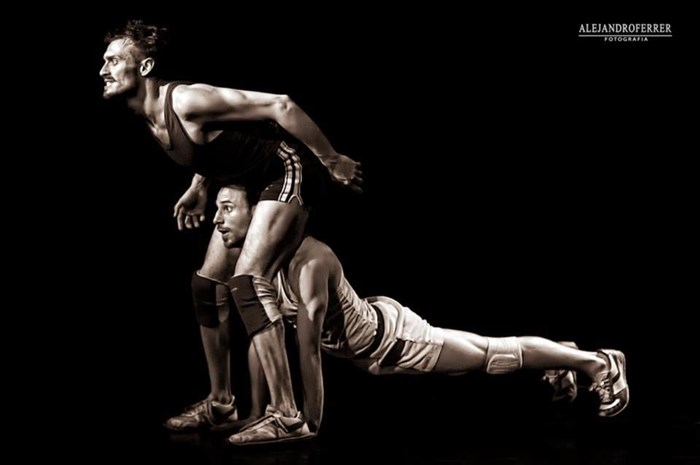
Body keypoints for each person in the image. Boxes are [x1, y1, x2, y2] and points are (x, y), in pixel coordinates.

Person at [100, 19, 362, 441]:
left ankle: (287, 416)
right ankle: (222, 403)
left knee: (247, 282)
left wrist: (332, 160)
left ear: (145, 67)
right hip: (250, 182)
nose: (103, 70)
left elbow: (281, 105)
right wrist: (199, 187)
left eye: (113, 61)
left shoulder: (187, 100)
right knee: (207, 286)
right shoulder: (149, 118)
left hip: (286, 170)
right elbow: (223, 146)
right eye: (104, 61)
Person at [207, 185, 630, 445]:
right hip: (372, 344)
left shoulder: (310, 260)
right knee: (491, 355)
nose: (217, 219)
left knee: (494, 355)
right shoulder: (259, 268)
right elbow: (265, 339)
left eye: (227, 208)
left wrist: (309, 424)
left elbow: (307, 348)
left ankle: (598, 362)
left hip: (398, 341)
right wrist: (257, 412)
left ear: (259, 213)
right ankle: (562, 355)